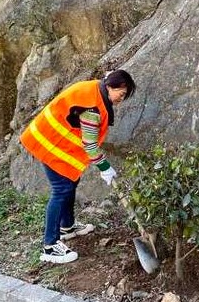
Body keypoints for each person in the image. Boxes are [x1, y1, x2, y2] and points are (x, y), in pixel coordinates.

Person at [20, 69, 136, 264]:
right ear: (109, 86)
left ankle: (68, 226)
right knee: (61, 190)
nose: (121, 100)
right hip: (47, 142)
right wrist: (105, 167)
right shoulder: (92, 109)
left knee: (70, 183)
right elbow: (90, 145)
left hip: (54, 141)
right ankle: (50, 246)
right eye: (121, 94)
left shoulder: (96, 90)